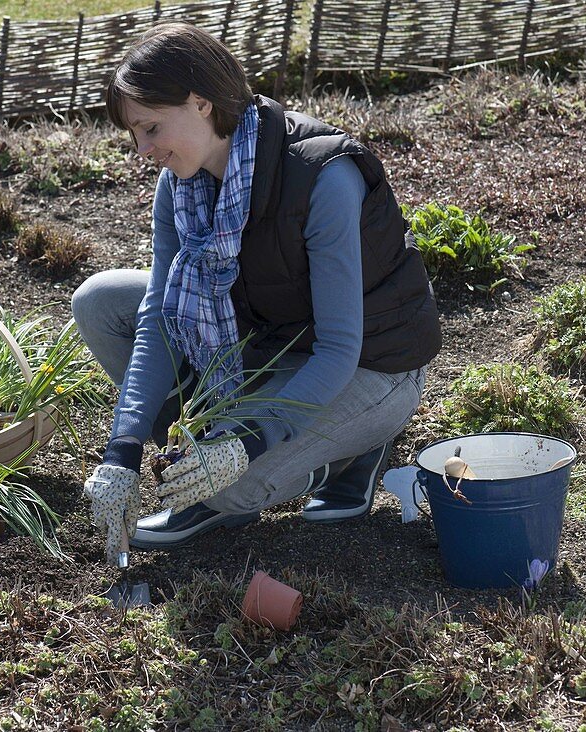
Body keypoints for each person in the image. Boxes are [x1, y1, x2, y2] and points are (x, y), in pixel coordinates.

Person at [73, 21, 441, 565]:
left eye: (151, 128)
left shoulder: (322, 176)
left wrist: (241, 444)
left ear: (201, 103)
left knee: (229, 489)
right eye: (135, 135)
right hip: (272, 342)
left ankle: (354, 451)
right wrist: (121, 452)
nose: (143, 149)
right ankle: (210, 462)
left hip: (372, 363)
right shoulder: (182, 182)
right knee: (101, 302)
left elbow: (339, 348)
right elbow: (161, 316)